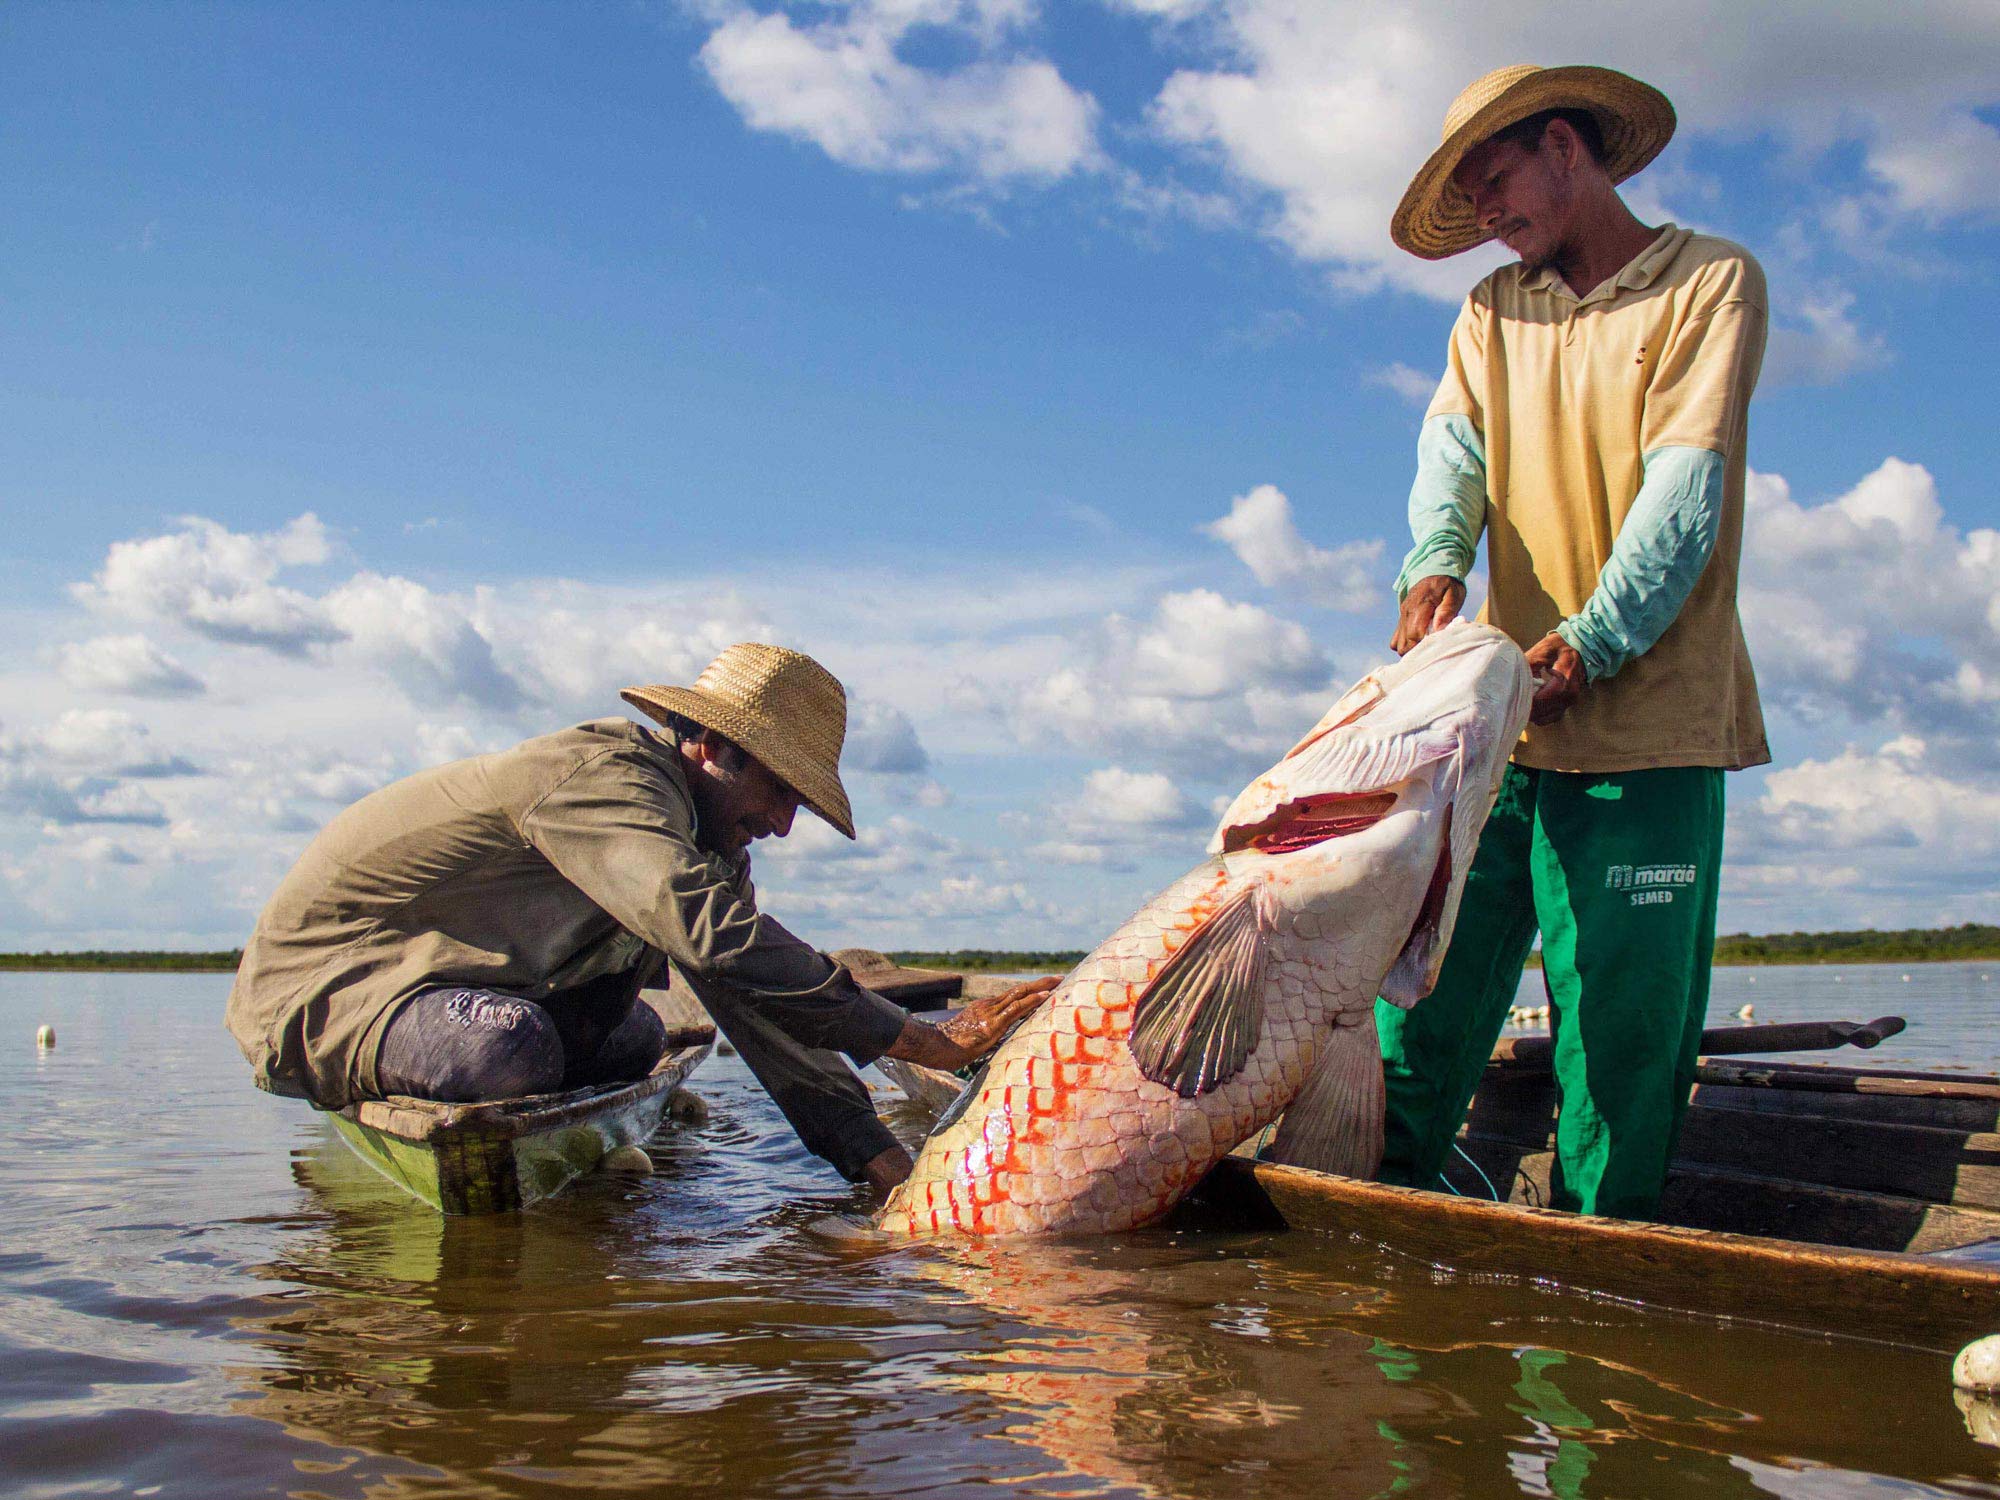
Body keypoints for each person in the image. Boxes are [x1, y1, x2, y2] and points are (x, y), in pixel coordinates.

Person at [226, 641, 1055, 1192]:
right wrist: (919, 1039)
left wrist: (888, 1177)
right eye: (779, 791)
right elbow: (706, 930)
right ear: (708, 747)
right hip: (337, 986)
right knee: (513, 1046)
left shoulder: (711, 847)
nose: (782, 824)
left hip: (463, 985)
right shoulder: (607, 778)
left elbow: (762, 1012)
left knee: (643, 1039)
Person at [1374, 65, 1769, 1218]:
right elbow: (1449, 458)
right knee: (1419, 1011)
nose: (1488, 220)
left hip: (1647, 736)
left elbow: (1681, 499)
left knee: (1619, 1041)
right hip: (1495, 732)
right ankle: (1373, 1259)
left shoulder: (1705, 283)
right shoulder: (1492, 313)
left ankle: (1598, 1309)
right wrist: (1433, 566)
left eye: (1496, 185)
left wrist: (1589, 643)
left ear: (1563, 146)